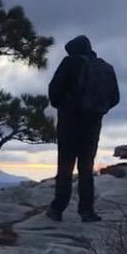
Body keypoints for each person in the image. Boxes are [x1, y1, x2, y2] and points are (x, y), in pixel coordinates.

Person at [46, 35, 120, 223]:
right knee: (86, 168)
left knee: (65, 167)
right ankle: (87, 212)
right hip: (93, 124)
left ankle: (57, 209)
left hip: (69, 123)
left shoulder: (70, 63)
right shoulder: (104, 67)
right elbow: (115, 98)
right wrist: (98, 110)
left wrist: (66, 105)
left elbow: (54, 92)